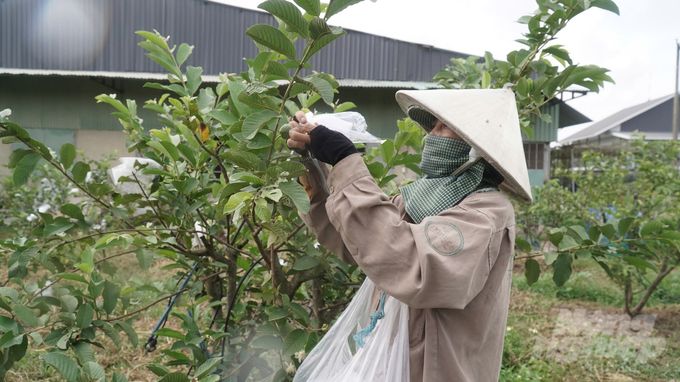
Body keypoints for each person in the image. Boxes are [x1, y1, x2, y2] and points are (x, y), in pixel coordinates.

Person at [286, 88, 532, 382]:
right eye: (433, 124)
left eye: (444, 127)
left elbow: (411, 264)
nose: (431, 133)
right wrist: (311, 165)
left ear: (476, 147)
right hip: (389, 364)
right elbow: (356, 240)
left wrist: (345, 158)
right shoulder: (421, 198)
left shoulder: (487, 213)